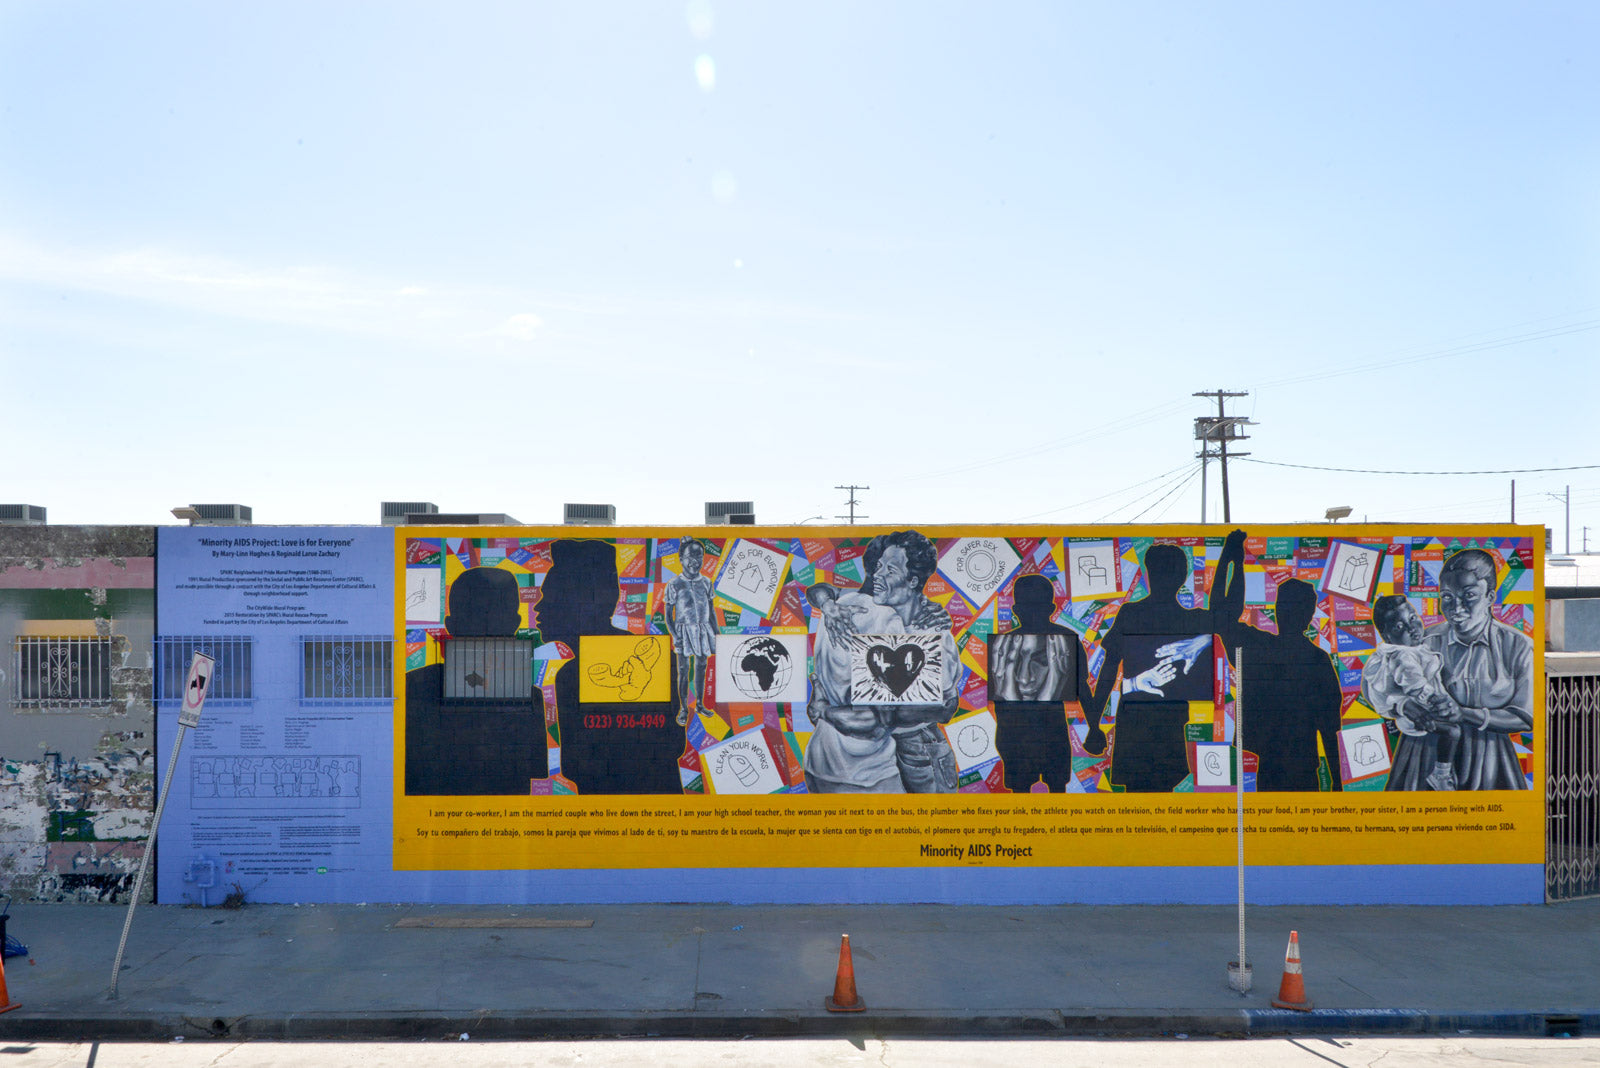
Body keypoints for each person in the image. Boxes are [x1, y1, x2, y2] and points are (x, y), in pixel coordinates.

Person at [804, 530, 961, 793]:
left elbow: (947, 706)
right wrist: (829, 605)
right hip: (879, 753)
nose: (877, 576)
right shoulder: (868, 613)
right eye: (878, 568)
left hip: (920, 747)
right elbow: (821, 590)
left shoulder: (929, 631)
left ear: (911, 581)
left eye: (889, 570)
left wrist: (825, 710)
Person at [1212, 529, 1343, 792]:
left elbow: (1220, 612)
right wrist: (1337, 784)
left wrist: (1232, 557)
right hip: (1305, 770)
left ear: (1277, 610)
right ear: (1308, 614)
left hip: (1270, 768)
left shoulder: (1257, 647)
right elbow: (1329, 730)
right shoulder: (1318, 660)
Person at [403, 566, 548, 795]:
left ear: (450, 625)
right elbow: (533, 773)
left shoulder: (413, 686)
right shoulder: (530, 698)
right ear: (515, 625)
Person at [1081, 543, 1214, 792]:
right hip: (1165, 723)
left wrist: (1094, 725)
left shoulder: (1131, 614)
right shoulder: (1193, 620)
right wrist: (1202, 639)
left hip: (1138, 722)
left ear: (1148, 574)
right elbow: (1225, 618)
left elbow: (1108, 672)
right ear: (1182, 576)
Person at [1421, 549, 1532, 791]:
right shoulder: (1427, 641)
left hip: (1492, 763)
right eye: (1447, 597)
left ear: (1490, 596)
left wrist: (1463, 714)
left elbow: (1526, 717)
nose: (1455, 607)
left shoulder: (1518, 645)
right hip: (1431, 758)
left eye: (1469, 595)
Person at [990, 574, 1090, 792]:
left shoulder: (1003, 645)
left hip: (1018, 734)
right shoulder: (1066, 638)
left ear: (1016, 610)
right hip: (1046, 733)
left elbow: (1001, 701)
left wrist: (1003, 737)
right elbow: (1084, 690)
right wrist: (1094, 728)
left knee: (1026, 792)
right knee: (1054, 791)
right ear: (1052, 607)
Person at [1363, 594, 1458, 791]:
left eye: (1413, 618)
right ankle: (1441, 775)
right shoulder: (1403, 655)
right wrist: (1432, 697)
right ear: (1387, 636)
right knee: (1453, 731)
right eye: (1399, 627)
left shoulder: (1415, 647)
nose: (1411, 628)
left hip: (1416, 716)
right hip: (1420, 716)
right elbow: (1414, 682)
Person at [663, 539, 716, 725]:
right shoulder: (674, 584)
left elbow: (712, 610)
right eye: (690, 557)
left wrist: (716, 634)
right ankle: (684, 708)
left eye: (699, 556)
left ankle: (700, 704)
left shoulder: (707, 583)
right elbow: (668, 615)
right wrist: (675, 636)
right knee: (684, 670)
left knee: (701, 666)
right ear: (680, 559)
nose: (695, 561)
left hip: (702, 630)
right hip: (683, 632)